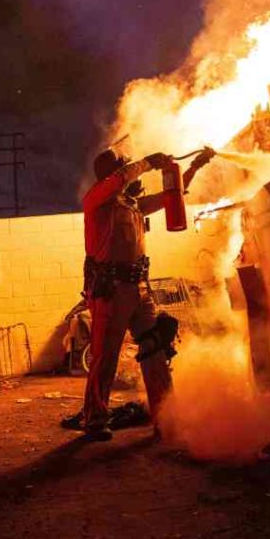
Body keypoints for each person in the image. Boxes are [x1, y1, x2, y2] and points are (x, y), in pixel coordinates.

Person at [74, 145, 215, 441]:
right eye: (122, 167)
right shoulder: (96, 201)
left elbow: (170, 198)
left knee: (155, 349)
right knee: (105, 356)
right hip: (110, 291)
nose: (128, 169)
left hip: (139, 288)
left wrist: (193, 168)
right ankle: (95, 419)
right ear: (112, 173)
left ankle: (165, 416)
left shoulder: (131, 206)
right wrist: (147, 163)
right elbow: (118, 180)